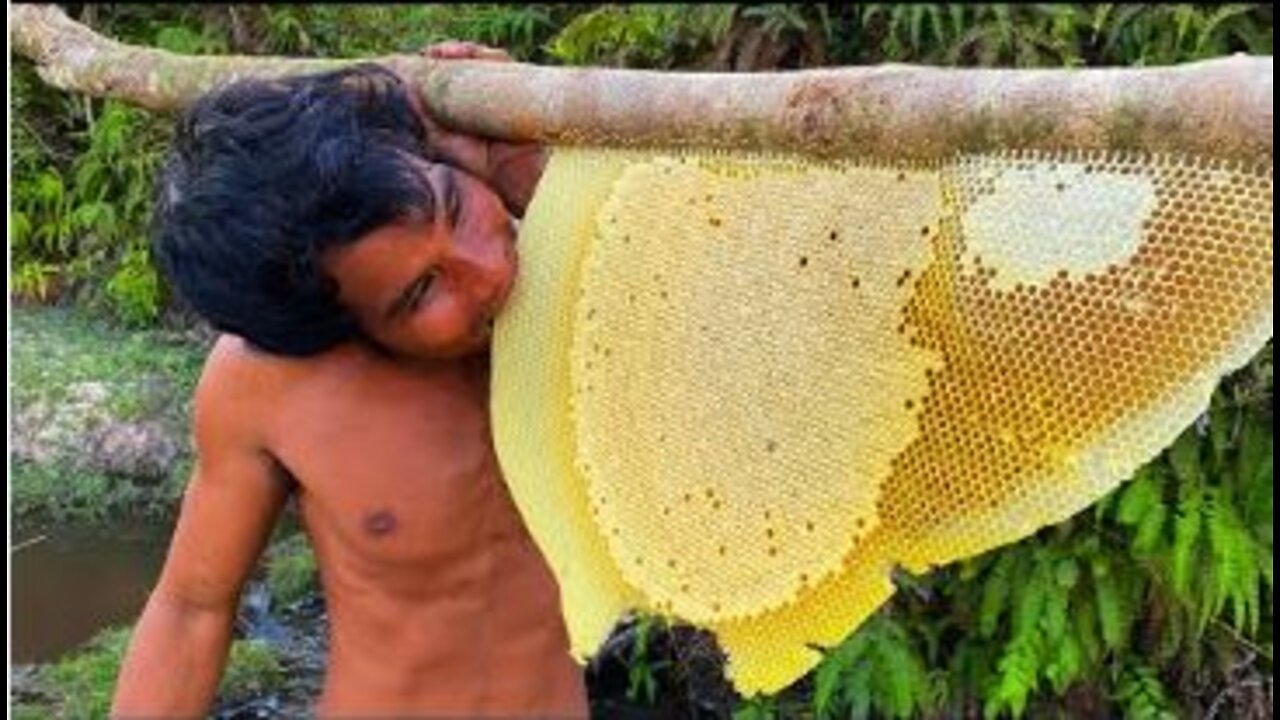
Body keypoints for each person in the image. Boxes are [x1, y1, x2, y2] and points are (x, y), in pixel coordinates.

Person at [111, 42, 589, 718]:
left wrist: (530, 167)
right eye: (420, 293)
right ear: (341, 328)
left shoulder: (576, 272)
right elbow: (192, 608)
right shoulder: (267, 385)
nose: (488, 273)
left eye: (452, 205)